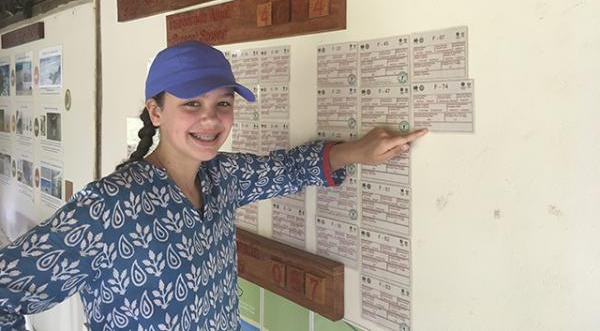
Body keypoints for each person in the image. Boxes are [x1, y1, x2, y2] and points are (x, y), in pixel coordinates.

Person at [0, 41, 427, 331]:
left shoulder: (221, 177)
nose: (211, 119)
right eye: (191, 104)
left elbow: (286, 170)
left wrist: (357, 151)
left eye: (222, 103)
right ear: (156, 112)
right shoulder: (109, 206)